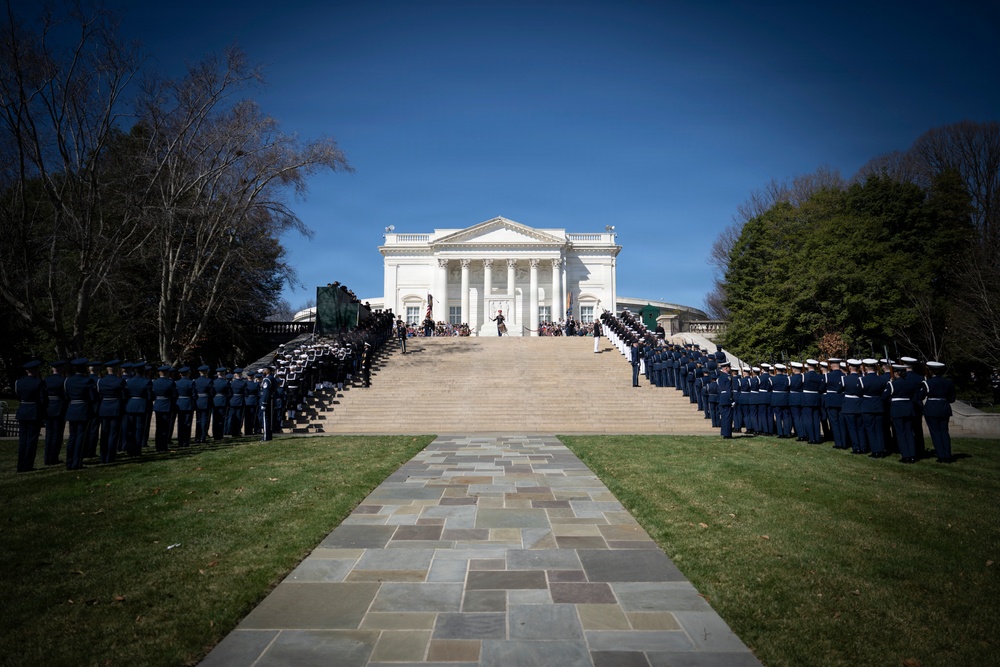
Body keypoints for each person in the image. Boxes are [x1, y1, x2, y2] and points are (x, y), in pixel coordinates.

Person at [64, 358, 97, 470]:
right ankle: (77, 462)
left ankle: (69, 461)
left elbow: (67, 397)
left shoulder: (68, 381)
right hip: (83, 409)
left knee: (72, 436)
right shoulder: (87, 381)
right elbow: (93, 397)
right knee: (80, 437)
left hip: (72, 409)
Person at [15, 360, 46, 472]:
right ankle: (28, 465)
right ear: (35, 370)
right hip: (34, 412)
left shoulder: (19, 382)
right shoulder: (39, 383)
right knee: (31, 440)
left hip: (23, 411)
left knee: (23, 439)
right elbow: (42, 400)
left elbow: (18, 396)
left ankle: (21, 465)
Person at [923, 361, 956, 463]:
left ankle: (941, 455)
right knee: (944, 432)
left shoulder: (927, 383)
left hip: (932, 409)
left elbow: (921, 396)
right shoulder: (948, 382)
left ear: (931, 371)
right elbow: (952, 399)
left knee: (935, 433)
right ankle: (947, 455)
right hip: (944, 408)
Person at [96, 360, 125, 463]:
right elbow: (123, 396)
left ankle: (103, 456)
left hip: (104, 408)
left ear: (107, 369)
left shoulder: (100, 381)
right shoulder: (120, 381)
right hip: (116, 408)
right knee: (113, 433)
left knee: (104, 433)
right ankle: (110, 456)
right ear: (116, 369)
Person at [43, 360, 68, 465]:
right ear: (61, 369)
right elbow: (66, 396)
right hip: (59, 408)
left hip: (48, 408)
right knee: (57, 434)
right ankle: (53, 457)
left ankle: (47, 457)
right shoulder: (63, 380)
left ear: (52, 369)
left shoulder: (46, 380)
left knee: (49, 434)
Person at [152, 365, 177, 451]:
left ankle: (158, 445)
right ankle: (163, 445)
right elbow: (174, 395)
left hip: (158, 404)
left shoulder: (155, 382)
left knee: (158, 426)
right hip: (167, 405)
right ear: (167, 373)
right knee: (165, 427)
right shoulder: (170, 382)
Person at [174, 367, 195, 447]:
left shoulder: (177, 383)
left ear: (180, 374)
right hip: (188, 403)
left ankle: (180, 441)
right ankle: (186, 441)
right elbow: (194, 394)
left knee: (180, 423)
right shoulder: (191, 382)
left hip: (179, 403)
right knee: (187, 423)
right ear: (188, 373)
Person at [193, 365, 213, 443]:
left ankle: (197, 437)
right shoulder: (209, 381)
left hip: (198, 401)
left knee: (198, 420)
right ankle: (203, 437)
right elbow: (211, 393)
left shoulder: (195, 381)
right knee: (204, 420)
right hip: (205, 401)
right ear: (206, 372)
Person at [259, 365, 274, 441]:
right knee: (269, 419)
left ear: (267, 371)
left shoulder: (267, 379)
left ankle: (266, 437)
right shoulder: (271, 378)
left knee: (266, 419)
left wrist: (264, 402)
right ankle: (268, 436)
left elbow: (266, 392)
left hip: (267, 401)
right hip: (270, 400)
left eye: (264, 370)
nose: (263, 372)